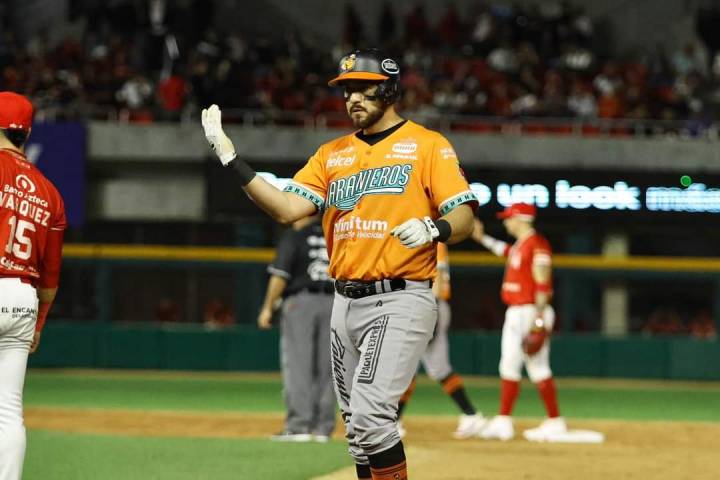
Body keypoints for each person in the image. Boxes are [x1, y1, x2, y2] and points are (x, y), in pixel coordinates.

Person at [201, 48, 477, 480]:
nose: (353, 98)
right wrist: (231, 159)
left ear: (389, 90)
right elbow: (287, 209)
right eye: (347, 90)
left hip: (400, 296)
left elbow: (464, 216)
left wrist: (434, 228)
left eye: (364, 89)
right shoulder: (332, 154)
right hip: (343, 301)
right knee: (356, 431)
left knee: (371, 417)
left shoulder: (428, 145)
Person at [0, 91, 66, 480]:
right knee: (8, 410)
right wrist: (39, 323)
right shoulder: (49, 192)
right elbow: (51, 276)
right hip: (22, 299)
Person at [471, 203, 566, 442]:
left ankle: (544, 421)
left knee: (526, 366)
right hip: (523, 311)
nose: (506, 222)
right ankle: (512, 420)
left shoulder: (537, 244)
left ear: (522, 219)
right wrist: (483, 239)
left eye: (509, 218)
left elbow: (543, 281)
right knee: (521, 366)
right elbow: (506, 251)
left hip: (529, 310)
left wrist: (539, 318)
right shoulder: (521, 245)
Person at [257, 215, 336, 443]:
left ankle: (299, 425)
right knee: (329, 367)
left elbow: (280, 276)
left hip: (302, 303)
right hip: (336, 302)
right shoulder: (335, 234)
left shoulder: (295, 236)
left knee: (299, 364)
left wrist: (267, 308)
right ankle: (323, 428)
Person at [396, 242, 486, 439]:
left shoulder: (431, 239)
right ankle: (471, 415)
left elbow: (437, 275)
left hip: (428, 307)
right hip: (422, 307)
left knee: (407, 366)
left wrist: (432, 312)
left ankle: (393, 421)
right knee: (433, 368)